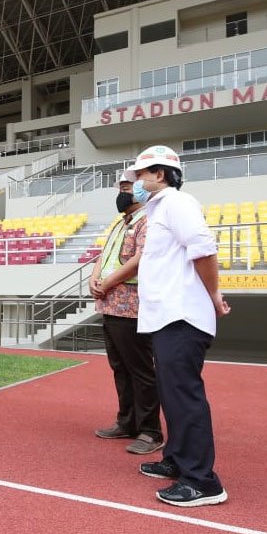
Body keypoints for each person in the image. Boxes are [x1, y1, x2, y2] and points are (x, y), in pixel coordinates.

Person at [125, 144, 231, 508]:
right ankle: (177, 458)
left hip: (182, 316)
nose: (135, 182)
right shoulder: (158, 210)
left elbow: (203, 250)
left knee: (184, 397)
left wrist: (214, 295)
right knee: (172, 394)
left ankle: (203, 481)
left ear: (159, 174)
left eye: (140, 175)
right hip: (168, 317)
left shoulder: (177, 203)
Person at [89, 170, 163, 455]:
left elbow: (140, 260)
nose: (122, 192)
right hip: (109, 305)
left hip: (131, 307)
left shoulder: (149, 221)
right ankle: (127, 422)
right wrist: (93, 279)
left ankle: (151, 431)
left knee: (141, 371)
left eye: (128, 186)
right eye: (120, 187)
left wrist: (106, 283)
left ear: (143, 189)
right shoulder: (121, 223)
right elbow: (102, 255)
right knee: (120, 368)